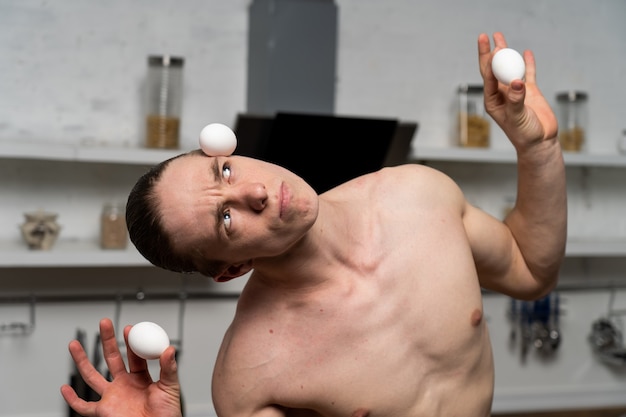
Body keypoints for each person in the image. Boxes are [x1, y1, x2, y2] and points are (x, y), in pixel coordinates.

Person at [61, 32, 567, 417]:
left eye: (226, 171)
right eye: (227, 217)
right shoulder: (251, 375)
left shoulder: (420, 195)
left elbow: (530, 271)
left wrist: (538, 147)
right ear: (231, 268)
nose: (256, 193)